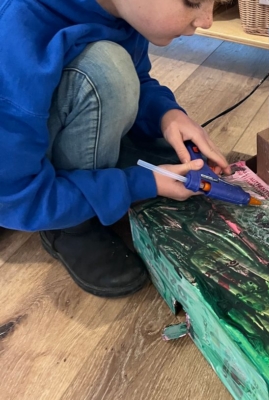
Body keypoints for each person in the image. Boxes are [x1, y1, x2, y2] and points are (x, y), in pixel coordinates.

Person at [0, 0, 232, 298]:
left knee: (114, 69)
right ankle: (70, 225)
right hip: (13, 188)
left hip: (19, 146)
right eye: (192, 1)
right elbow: (16, 199)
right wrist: (138, 183)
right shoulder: (13, 39)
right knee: (108, 68)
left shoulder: (123, 9)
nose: (208, 20)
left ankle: (94, 176)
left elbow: (138, 76)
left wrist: (166, 114)